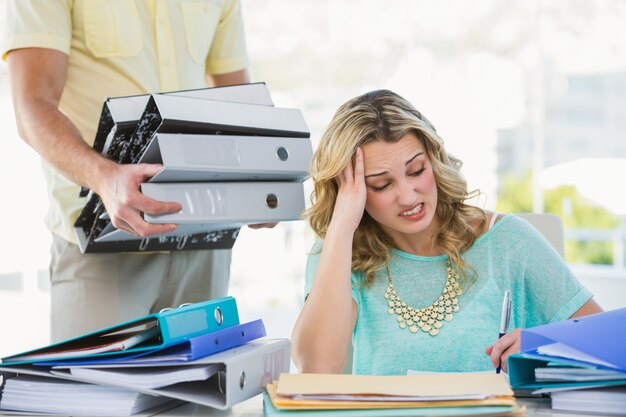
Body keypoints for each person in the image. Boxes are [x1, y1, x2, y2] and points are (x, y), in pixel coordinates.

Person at [291, 89, 603, 375]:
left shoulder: (509, 241)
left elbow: (611, 340)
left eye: (417, 171)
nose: (409, 196)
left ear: (434, 160)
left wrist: (547, 343)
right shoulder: (339, 250)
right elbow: (316, 370)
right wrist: (342, 227)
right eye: (382, 185)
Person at [1, 0, 258, 342]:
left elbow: (236, 98)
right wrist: (104, 177)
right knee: (98, 395)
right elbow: (32, 105)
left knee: (199, 394)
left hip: (202, 243)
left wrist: (260, 180)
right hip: (100, 245)